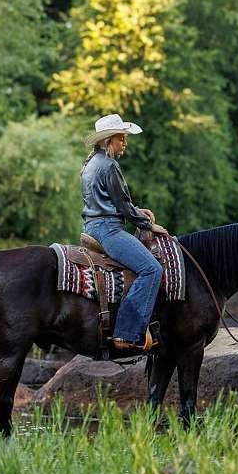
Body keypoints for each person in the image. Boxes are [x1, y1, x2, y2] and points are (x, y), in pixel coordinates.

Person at [80, 113, 168, 351]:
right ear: (108, 140)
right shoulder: (109, 165)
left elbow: (108, 202)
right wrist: (148, 225)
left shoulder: (91, 163)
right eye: (121, 139)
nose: (124, 144)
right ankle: (126, 334)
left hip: (92, 226)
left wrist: (137, 210)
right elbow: (122, 207)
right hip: (108, 230)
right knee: (152, 269)